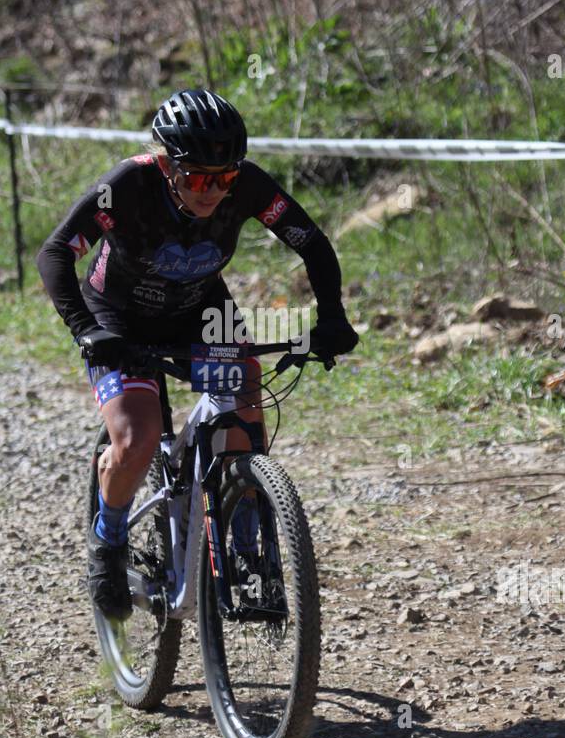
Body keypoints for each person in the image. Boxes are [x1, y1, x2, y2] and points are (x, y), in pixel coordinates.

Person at [36, 87, 358, 620]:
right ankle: (108, 539)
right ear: (166, 164)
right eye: (201, 177)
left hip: (199, 309)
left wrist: (331, 317)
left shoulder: (248, 184)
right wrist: (87, 331)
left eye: (226, 176)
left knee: (245, 399)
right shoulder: (128, 185)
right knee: (136, 440)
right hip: (118, 316)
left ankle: (249, 540)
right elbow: (56, 252)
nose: (215, 189)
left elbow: (311, 243)